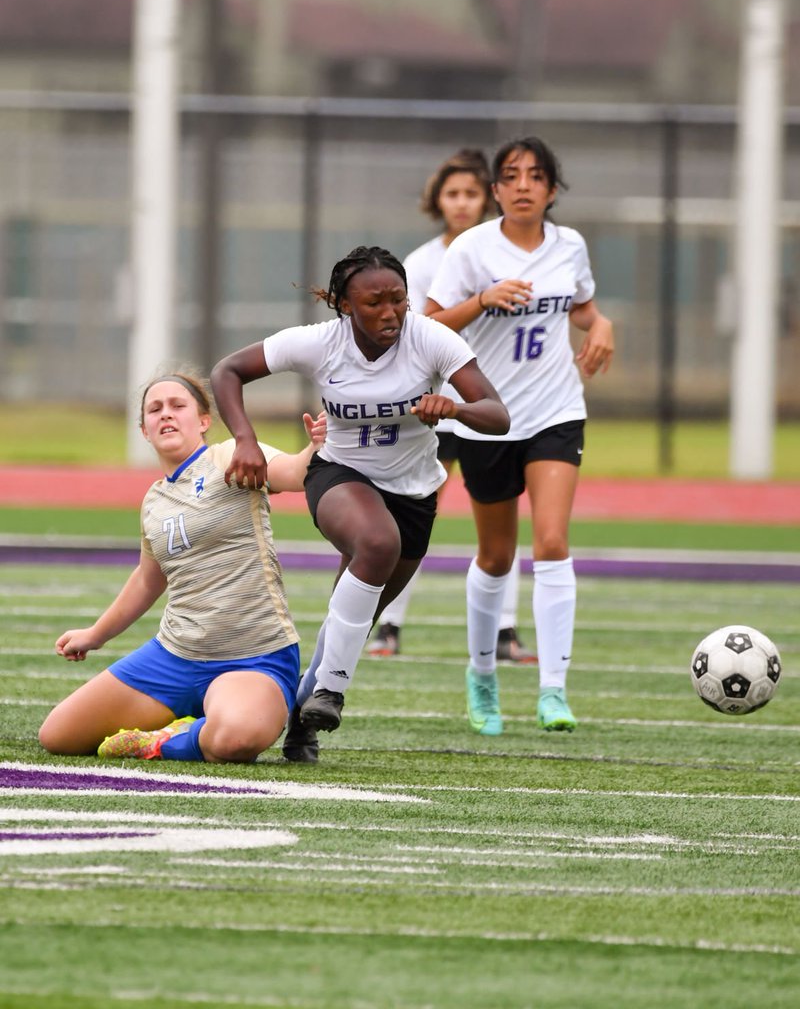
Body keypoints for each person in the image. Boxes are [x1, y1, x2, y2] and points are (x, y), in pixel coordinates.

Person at [210, 244, 509, 763]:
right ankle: (332, 693)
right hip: (339, 475)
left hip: (415, 494)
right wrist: (245, 440)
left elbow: (498, 414)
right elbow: (227, 371)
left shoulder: (432, 339)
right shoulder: (318, 343)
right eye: (374, 302)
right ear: (345, 305)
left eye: (399, 299)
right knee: (376, 543)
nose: (390, 312)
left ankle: (302, 719)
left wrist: (455, 408)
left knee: (355, 615)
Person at [426, 136, 614, 736]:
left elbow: (582, 307)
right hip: (488, 416)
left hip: (557, 411)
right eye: (512, 176)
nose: (525, 184)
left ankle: (553, 691)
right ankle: (482, 676)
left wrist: (601, 322)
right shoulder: (473, 249)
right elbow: (427, 324)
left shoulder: (570, 246)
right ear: (497, 190)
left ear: (552, 190)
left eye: (537, 176)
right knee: (497, 555)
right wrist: (482, 300)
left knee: (553, 542)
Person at [38, 371, 326, 763]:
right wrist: (95, 635)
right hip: (175, 655)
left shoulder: (229, 456)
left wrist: (316, 447)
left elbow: (294, 473)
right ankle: (199, 718)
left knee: (234, 741)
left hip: (253, 657)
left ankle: (168, 740)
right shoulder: (154, 500)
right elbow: (147, 578)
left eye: (178, 406)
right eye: (154, 410)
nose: (166, 415)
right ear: (144, 429)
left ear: (204, 420)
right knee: (59, 736)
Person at [368, 148, 534, 664]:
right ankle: (388, 622)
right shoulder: (419, 264)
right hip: (432, 407)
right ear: (437, 201)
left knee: (501, 523)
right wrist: (481, 300)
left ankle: (505, 631)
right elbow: (419, 331)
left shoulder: (505, 254)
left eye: (471, 193)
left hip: (488, 406)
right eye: (453, 193)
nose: (462, 203)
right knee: (413, 514)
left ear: (488, 198)